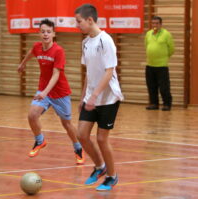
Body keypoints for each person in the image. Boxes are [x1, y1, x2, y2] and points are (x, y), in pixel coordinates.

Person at [17, 19, 85, 165]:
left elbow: (56, 74)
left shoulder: (58, 51)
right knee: (32, 115)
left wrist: (45, 93)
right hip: (43, 90)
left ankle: (78, 148)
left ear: (54, 34)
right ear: (39, 33)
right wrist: (22, 64)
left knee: (66, 124)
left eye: (48, 32)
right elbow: (31, 53)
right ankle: (39, 141)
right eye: (43, 32)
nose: (45, 34)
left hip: (60, 92)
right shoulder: (37, 47)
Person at [75, 4, 124, 191]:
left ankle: (112, 176)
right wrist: (83, 97)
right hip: (91, 97)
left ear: (90, 20)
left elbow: (109, 71)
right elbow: (89, 72)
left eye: (79, 22)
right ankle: (100, 167)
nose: (77, 26)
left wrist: (95, 96)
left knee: (102, 139)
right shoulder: (85, 43)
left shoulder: (106, 41)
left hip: (108, 98)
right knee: (81, 135)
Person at [145, 16, 175, 111]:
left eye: (157, 23)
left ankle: (167, 104)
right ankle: (154, 103)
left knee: (164, 87)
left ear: (161, 24)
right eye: (153, 23)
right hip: (150, 64)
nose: (155, 25)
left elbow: (171, 49)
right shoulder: (148, 34)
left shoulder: (166, 34)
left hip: (162, 65)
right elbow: (146, 46)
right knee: (151, 86)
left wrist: (164, 57)